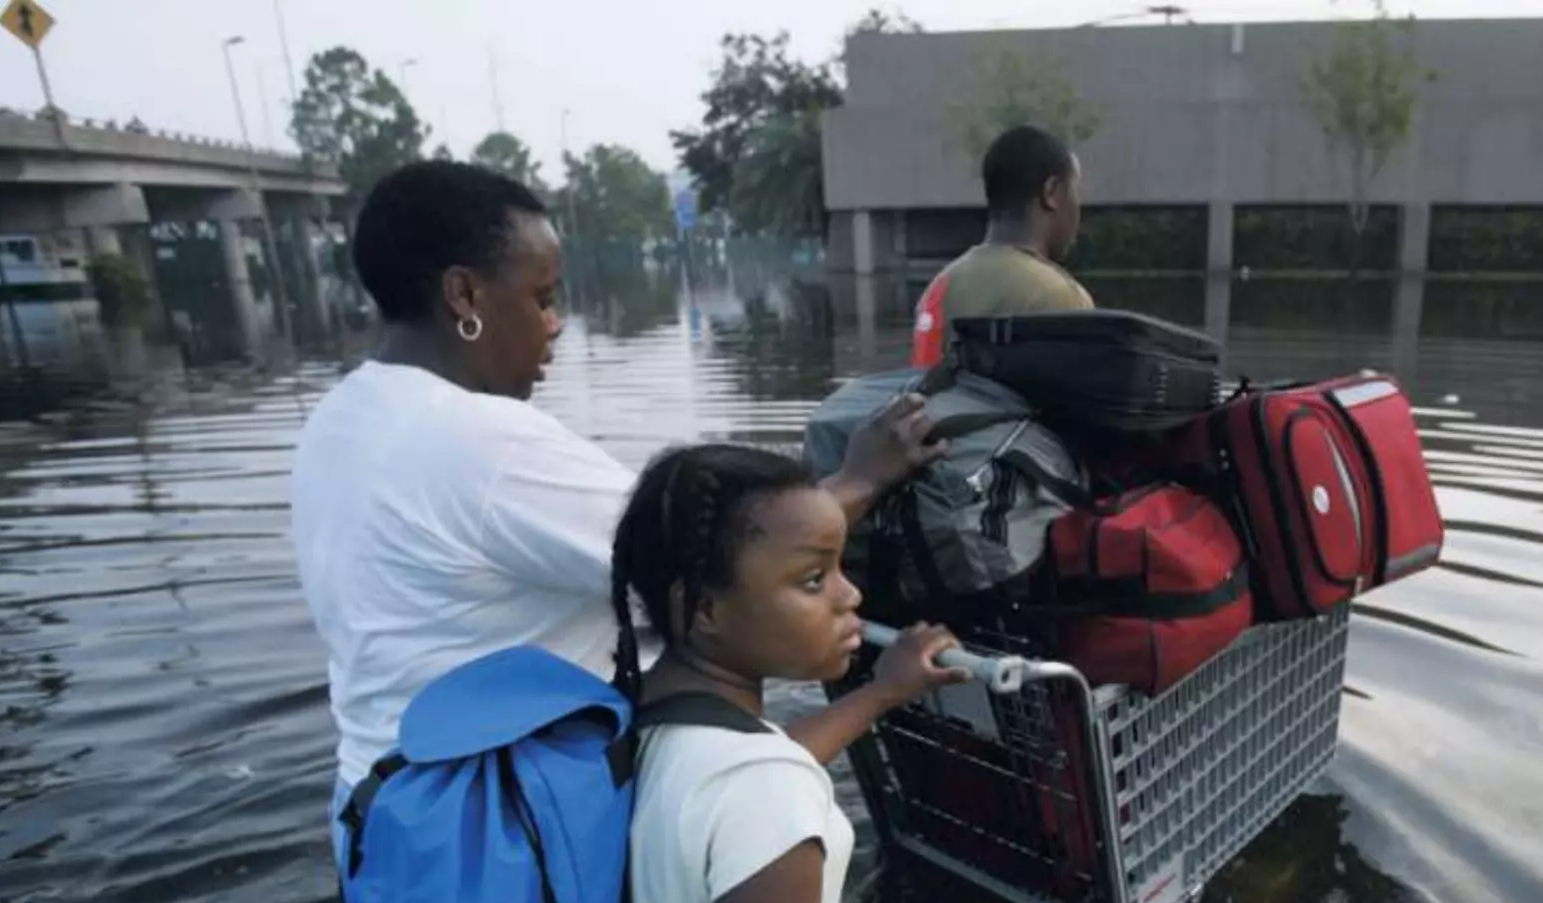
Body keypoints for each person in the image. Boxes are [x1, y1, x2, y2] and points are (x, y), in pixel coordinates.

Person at [291, 159, 938, 801]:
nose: (555, 323)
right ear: (464, 296)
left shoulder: (343, 415)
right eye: (541, 298)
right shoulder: (479, 440)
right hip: (503, 834)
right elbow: (724, 549)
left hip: (383, 815)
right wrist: (862, 476)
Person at [610, 444, 967, 903]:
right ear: (704, 608)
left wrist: (882, 692)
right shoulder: (765, 789)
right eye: (812, 580)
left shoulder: (642, 724)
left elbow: (752, 782)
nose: (850, 595)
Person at [910, 125, 1092, 367]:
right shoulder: (1059, 295)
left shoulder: (939, 287)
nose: (1078, 208)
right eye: (1075, 193)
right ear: (1052, 192)